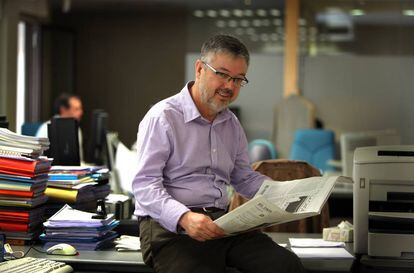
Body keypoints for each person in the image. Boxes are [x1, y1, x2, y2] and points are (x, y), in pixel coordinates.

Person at [132, 34, 305, 273]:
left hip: (222, 224)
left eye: (238, 79)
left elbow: (244, 177)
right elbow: (144, 185)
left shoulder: (231, 123)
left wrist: (284, 193)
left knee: (286, 265)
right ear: (200, 69)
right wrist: (184, 218)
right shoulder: (163, 117)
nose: (229, 86)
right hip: (171, 229)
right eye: (222, 74)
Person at [36, 93, 84, 161]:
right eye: (76, 109)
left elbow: (79, 159)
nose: (81, 112)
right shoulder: (45, 128)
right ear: (63, 109)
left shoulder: (77, 129)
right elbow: (37, 157)